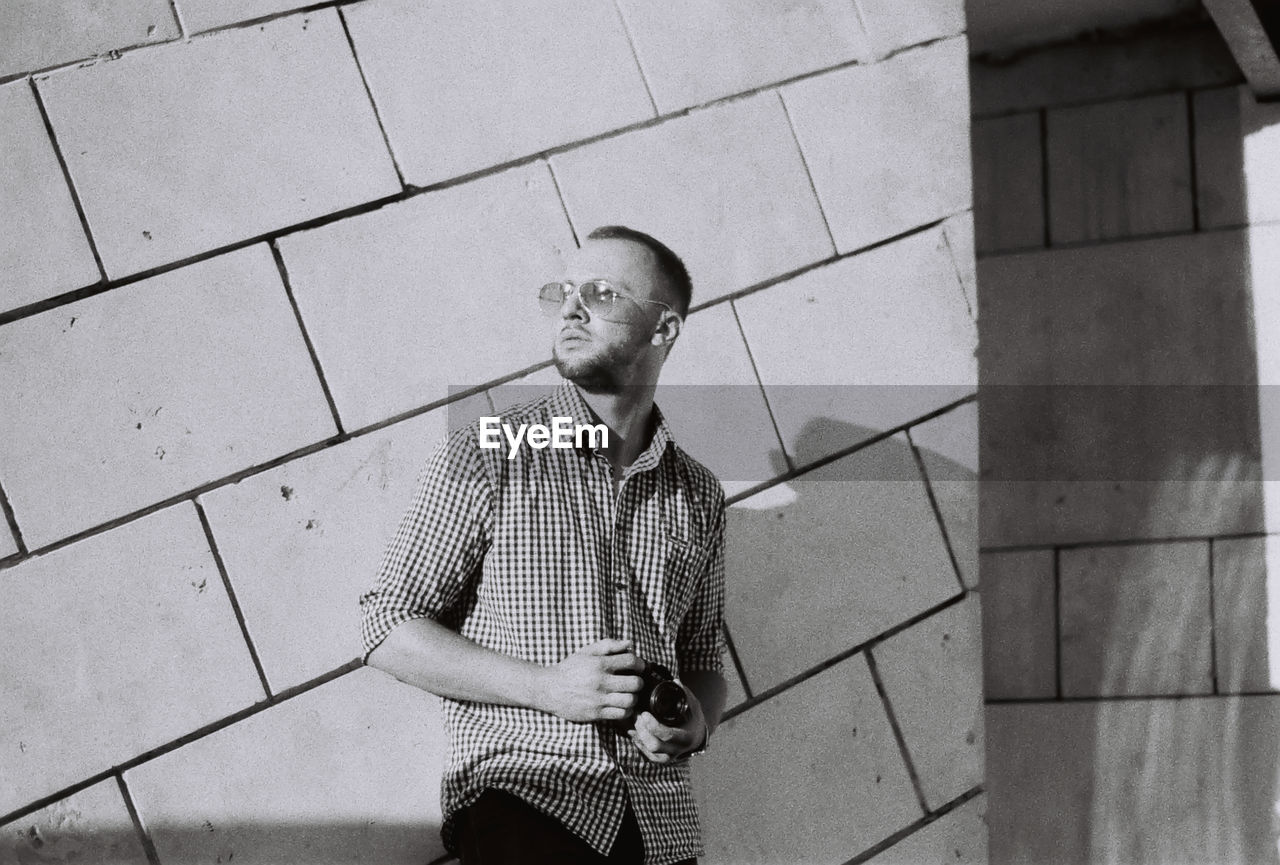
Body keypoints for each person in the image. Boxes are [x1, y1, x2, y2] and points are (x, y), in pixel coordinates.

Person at [358, 225, 728, 865]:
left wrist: (695, 723)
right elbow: (385, 623)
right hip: (528, 798)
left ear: (663, 329)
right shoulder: (490, 452)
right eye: (564, 290)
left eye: (603, 293)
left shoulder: (697, 492)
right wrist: (545, 687)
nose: (571, 308)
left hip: (660, 827)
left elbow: (703, 661)